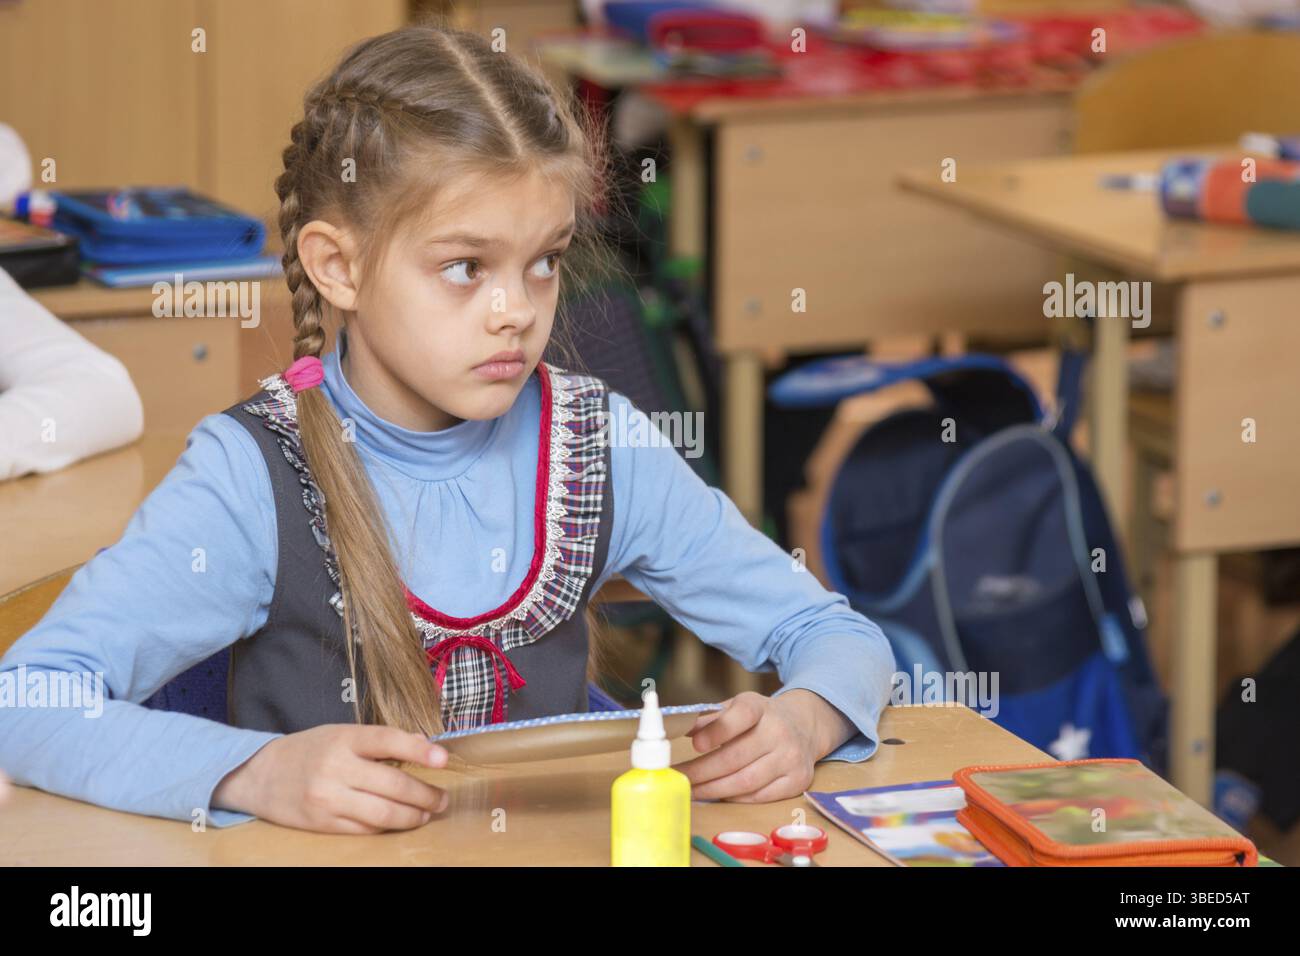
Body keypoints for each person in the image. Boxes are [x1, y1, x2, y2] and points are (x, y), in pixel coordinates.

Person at [0, 25, 894, 835]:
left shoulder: (598, 443)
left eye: (543, 263)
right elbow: (26, 700)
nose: (515, 312)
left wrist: (806, 718)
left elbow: (835, 633)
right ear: (336, 266)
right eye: (465, 268)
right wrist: (254, 772)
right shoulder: (248, 476)